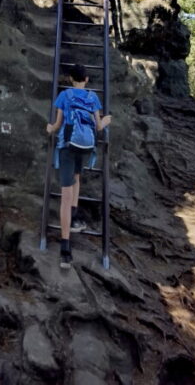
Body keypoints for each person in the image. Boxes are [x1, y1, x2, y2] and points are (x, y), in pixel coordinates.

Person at [46, 63, 111, 268]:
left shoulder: (64, 96)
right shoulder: (93, 98)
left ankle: (66, 249)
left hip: (67, 146)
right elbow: (99, 126)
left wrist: (50, 128)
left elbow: (57, 125)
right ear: (87, 79)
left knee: (64, 195)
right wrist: (108, 120)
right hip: (85, 147)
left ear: (70, 79)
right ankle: (74, 217)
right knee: (77, 178)